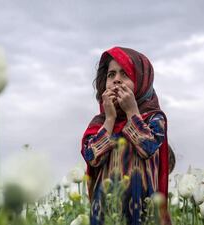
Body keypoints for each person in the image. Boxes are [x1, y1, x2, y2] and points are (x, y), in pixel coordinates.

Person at [81, 47, 171, 225]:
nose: (116, 81)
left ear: (140, 81)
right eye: (111, 75)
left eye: (124, 74)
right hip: (106, 214)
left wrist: (132, 112)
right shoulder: (99, 123)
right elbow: (92, 158)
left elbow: (148, 147)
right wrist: (110, 119)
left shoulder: (154, 117)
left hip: (143, 212)